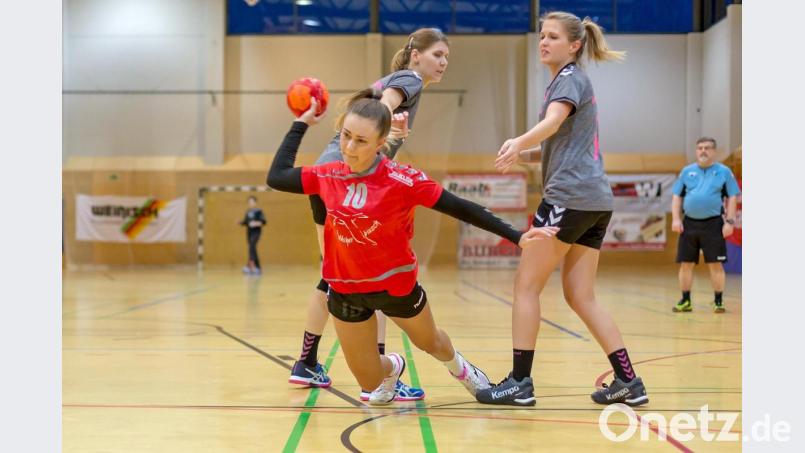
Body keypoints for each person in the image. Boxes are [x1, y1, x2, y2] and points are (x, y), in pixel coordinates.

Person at [267, 91, 559, 405]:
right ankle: (393, 367)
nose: (350, 148)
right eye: (346, 137)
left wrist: (516, 236)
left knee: (430, 342)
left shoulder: (403, 180)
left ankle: (461, 369)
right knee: (370, 382)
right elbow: (277, 176)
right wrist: (300, 123)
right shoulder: (327, 175)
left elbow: (461, 207)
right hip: (345, 291)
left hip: (396, 287)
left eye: (361, 141)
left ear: (381, 144)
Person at [475, 11, 649, 407]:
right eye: (541, 35)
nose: (543, 42)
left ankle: (519, 382)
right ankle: (628, 381)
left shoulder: (569, 79)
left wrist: (518, 141)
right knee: (581, 295)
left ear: (574, 46)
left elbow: (553, 123)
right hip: (595, 201)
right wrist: (527, 155)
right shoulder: (566, 82)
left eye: (552, 36)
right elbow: (561, 145)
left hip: (568, 199)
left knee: (526, 286)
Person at [288, 28, 451, 402]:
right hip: (343, 182)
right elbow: (383, 108)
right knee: (363, 278)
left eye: (446, 58)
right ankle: (377, 377)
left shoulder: (402, 80)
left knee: (333, 275)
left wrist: (395, 138)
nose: (442, 63)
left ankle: (307, 362)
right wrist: (388, 125)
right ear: (415, 55)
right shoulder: (409, 80)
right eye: (437, 55)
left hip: (331, 179)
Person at [671, 137, 740, 313]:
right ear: (696, 151)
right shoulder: (687, 171)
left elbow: (732, 196)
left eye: (707, 148)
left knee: (715, 265)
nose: (703, 151)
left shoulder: (724, 172)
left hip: (713, 224)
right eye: (700, 148)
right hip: (689, 224)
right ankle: (685, 300)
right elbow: (677, 196)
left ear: (714, 151)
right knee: (686, 263)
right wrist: (676, 219)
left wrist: (730, 221)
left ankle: (718, 301)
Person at [239, 195, 266, 275]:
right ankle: (258, 267)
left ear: (255, 202)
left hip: (256, 232)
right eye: (249, 202)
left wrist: (256, 223)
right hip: (249, 232)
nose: (250, 203)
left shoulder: (259, 211)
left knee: (252, 247)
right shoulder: (248, 211)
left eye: (252, 201)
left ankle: (251, 266)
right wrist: (240, 222)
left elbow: (263, 221)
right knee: (252, 248)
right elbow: (246, 222)